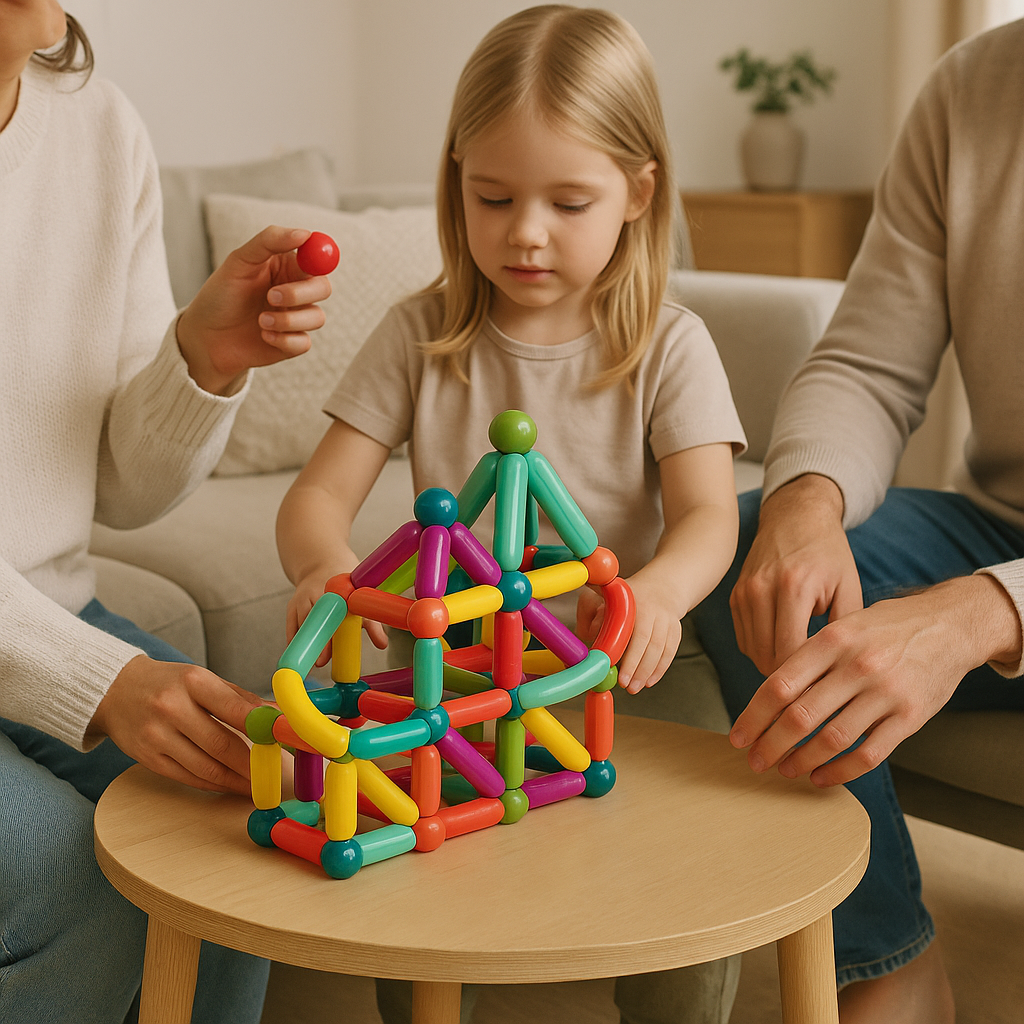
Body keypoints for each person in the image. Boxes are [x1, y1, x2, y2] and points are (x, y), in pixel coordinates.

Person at [276, 6, 747, 1023]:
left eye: (567, 200)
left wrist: (659, 594)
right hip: (459, 665)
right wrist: (322, 566)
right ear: (456, 185)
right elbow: (321, 491)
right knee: (414, 858)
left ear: (637, 192)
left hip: (628, 657)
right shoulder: (420, 333)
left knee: (697, 864)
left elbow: (711, 512)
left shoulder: (670, 344)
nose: (524, 231)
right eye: (492, 197)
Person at [0, 5, 333, 1022]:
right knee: (67, 875)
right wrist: (96, 684)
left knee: (250, 824)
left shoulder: (99, 129)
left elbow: (126, 491)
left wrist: (200, 359)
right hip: (58, 646)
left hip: (53, 614)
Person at [691, 16, 1024, 1024]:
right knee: (745, 554)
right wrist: (803, 504)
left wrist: (977, 616)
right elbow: (869, 365)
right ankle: (889, 962)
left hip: (998, 581)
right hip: (1000, 526)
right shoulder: (974, 89)